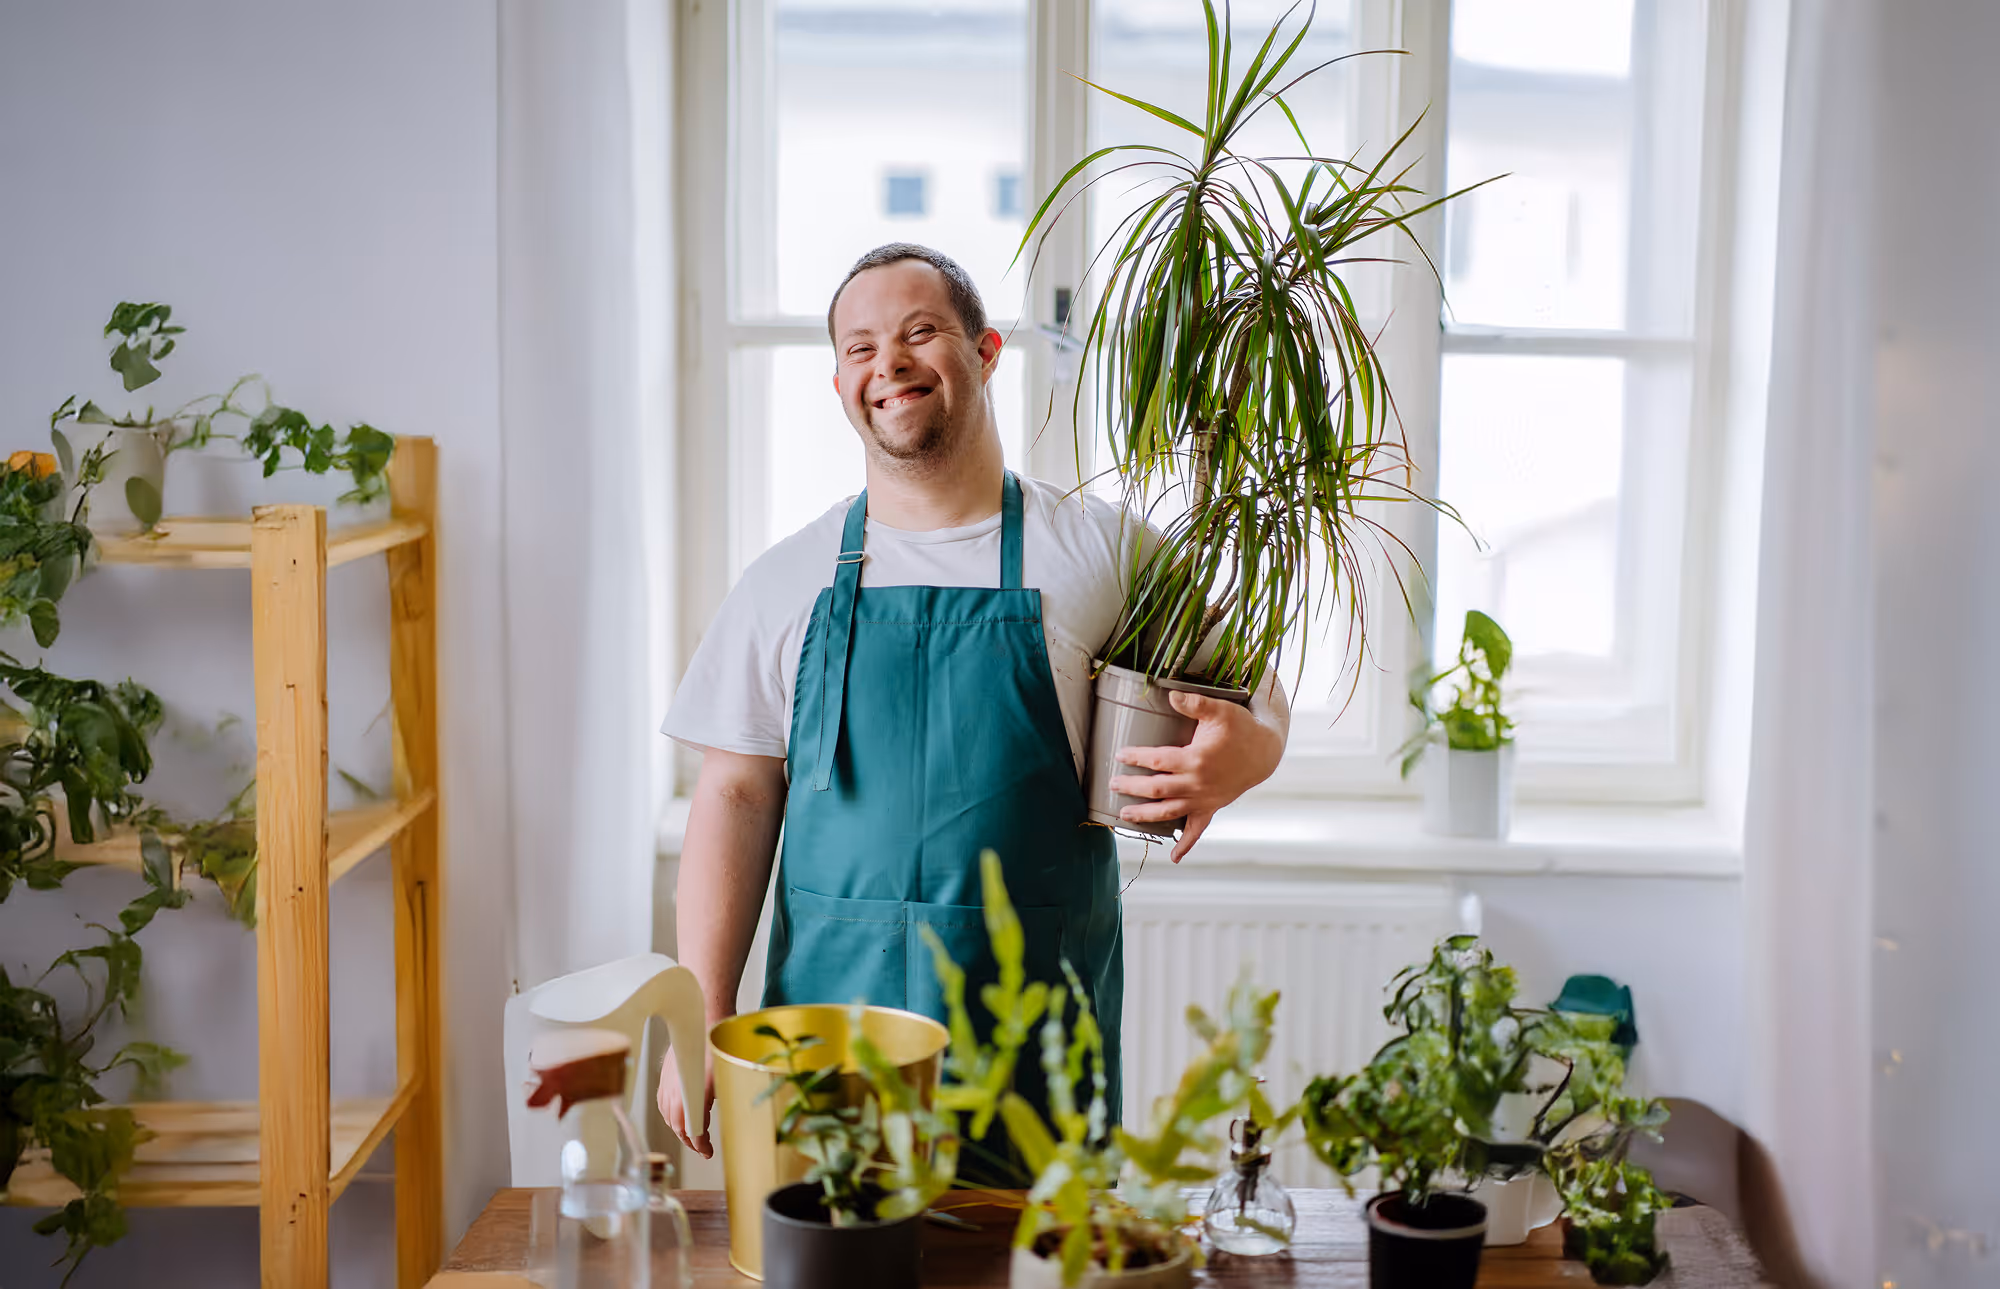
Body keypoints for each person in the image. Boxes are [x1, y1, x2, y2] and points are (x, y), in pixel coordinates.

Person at [658, 243, 1289, 1163]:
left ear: (987, 351)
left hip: (1038, 1053)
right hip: (829, 1047)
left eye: (921, 332)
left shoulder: (1100, 553)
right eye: (862, 347)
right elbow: (737, 795)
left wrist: (1246, 757)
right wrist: (704, 1012)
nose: (891, 364)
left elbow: (1257, 696)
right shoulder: (783, 580)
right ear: (839, 382)